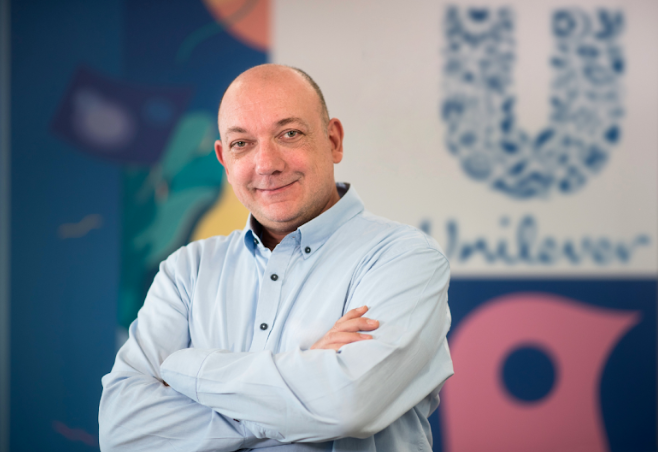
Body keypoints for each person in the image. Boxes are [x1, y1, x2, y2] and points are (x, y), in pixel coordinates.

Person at [99, 64, 453, 451]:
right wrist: (304, 374)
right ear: (224, 160)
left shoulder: (404, 258)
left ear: (333, 141)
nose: (267, 164)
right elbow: (122, 432)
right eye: (242, 143)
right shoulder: (187, 271)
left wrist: (184, 368)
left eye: (289, 134)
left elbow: (347, 406)